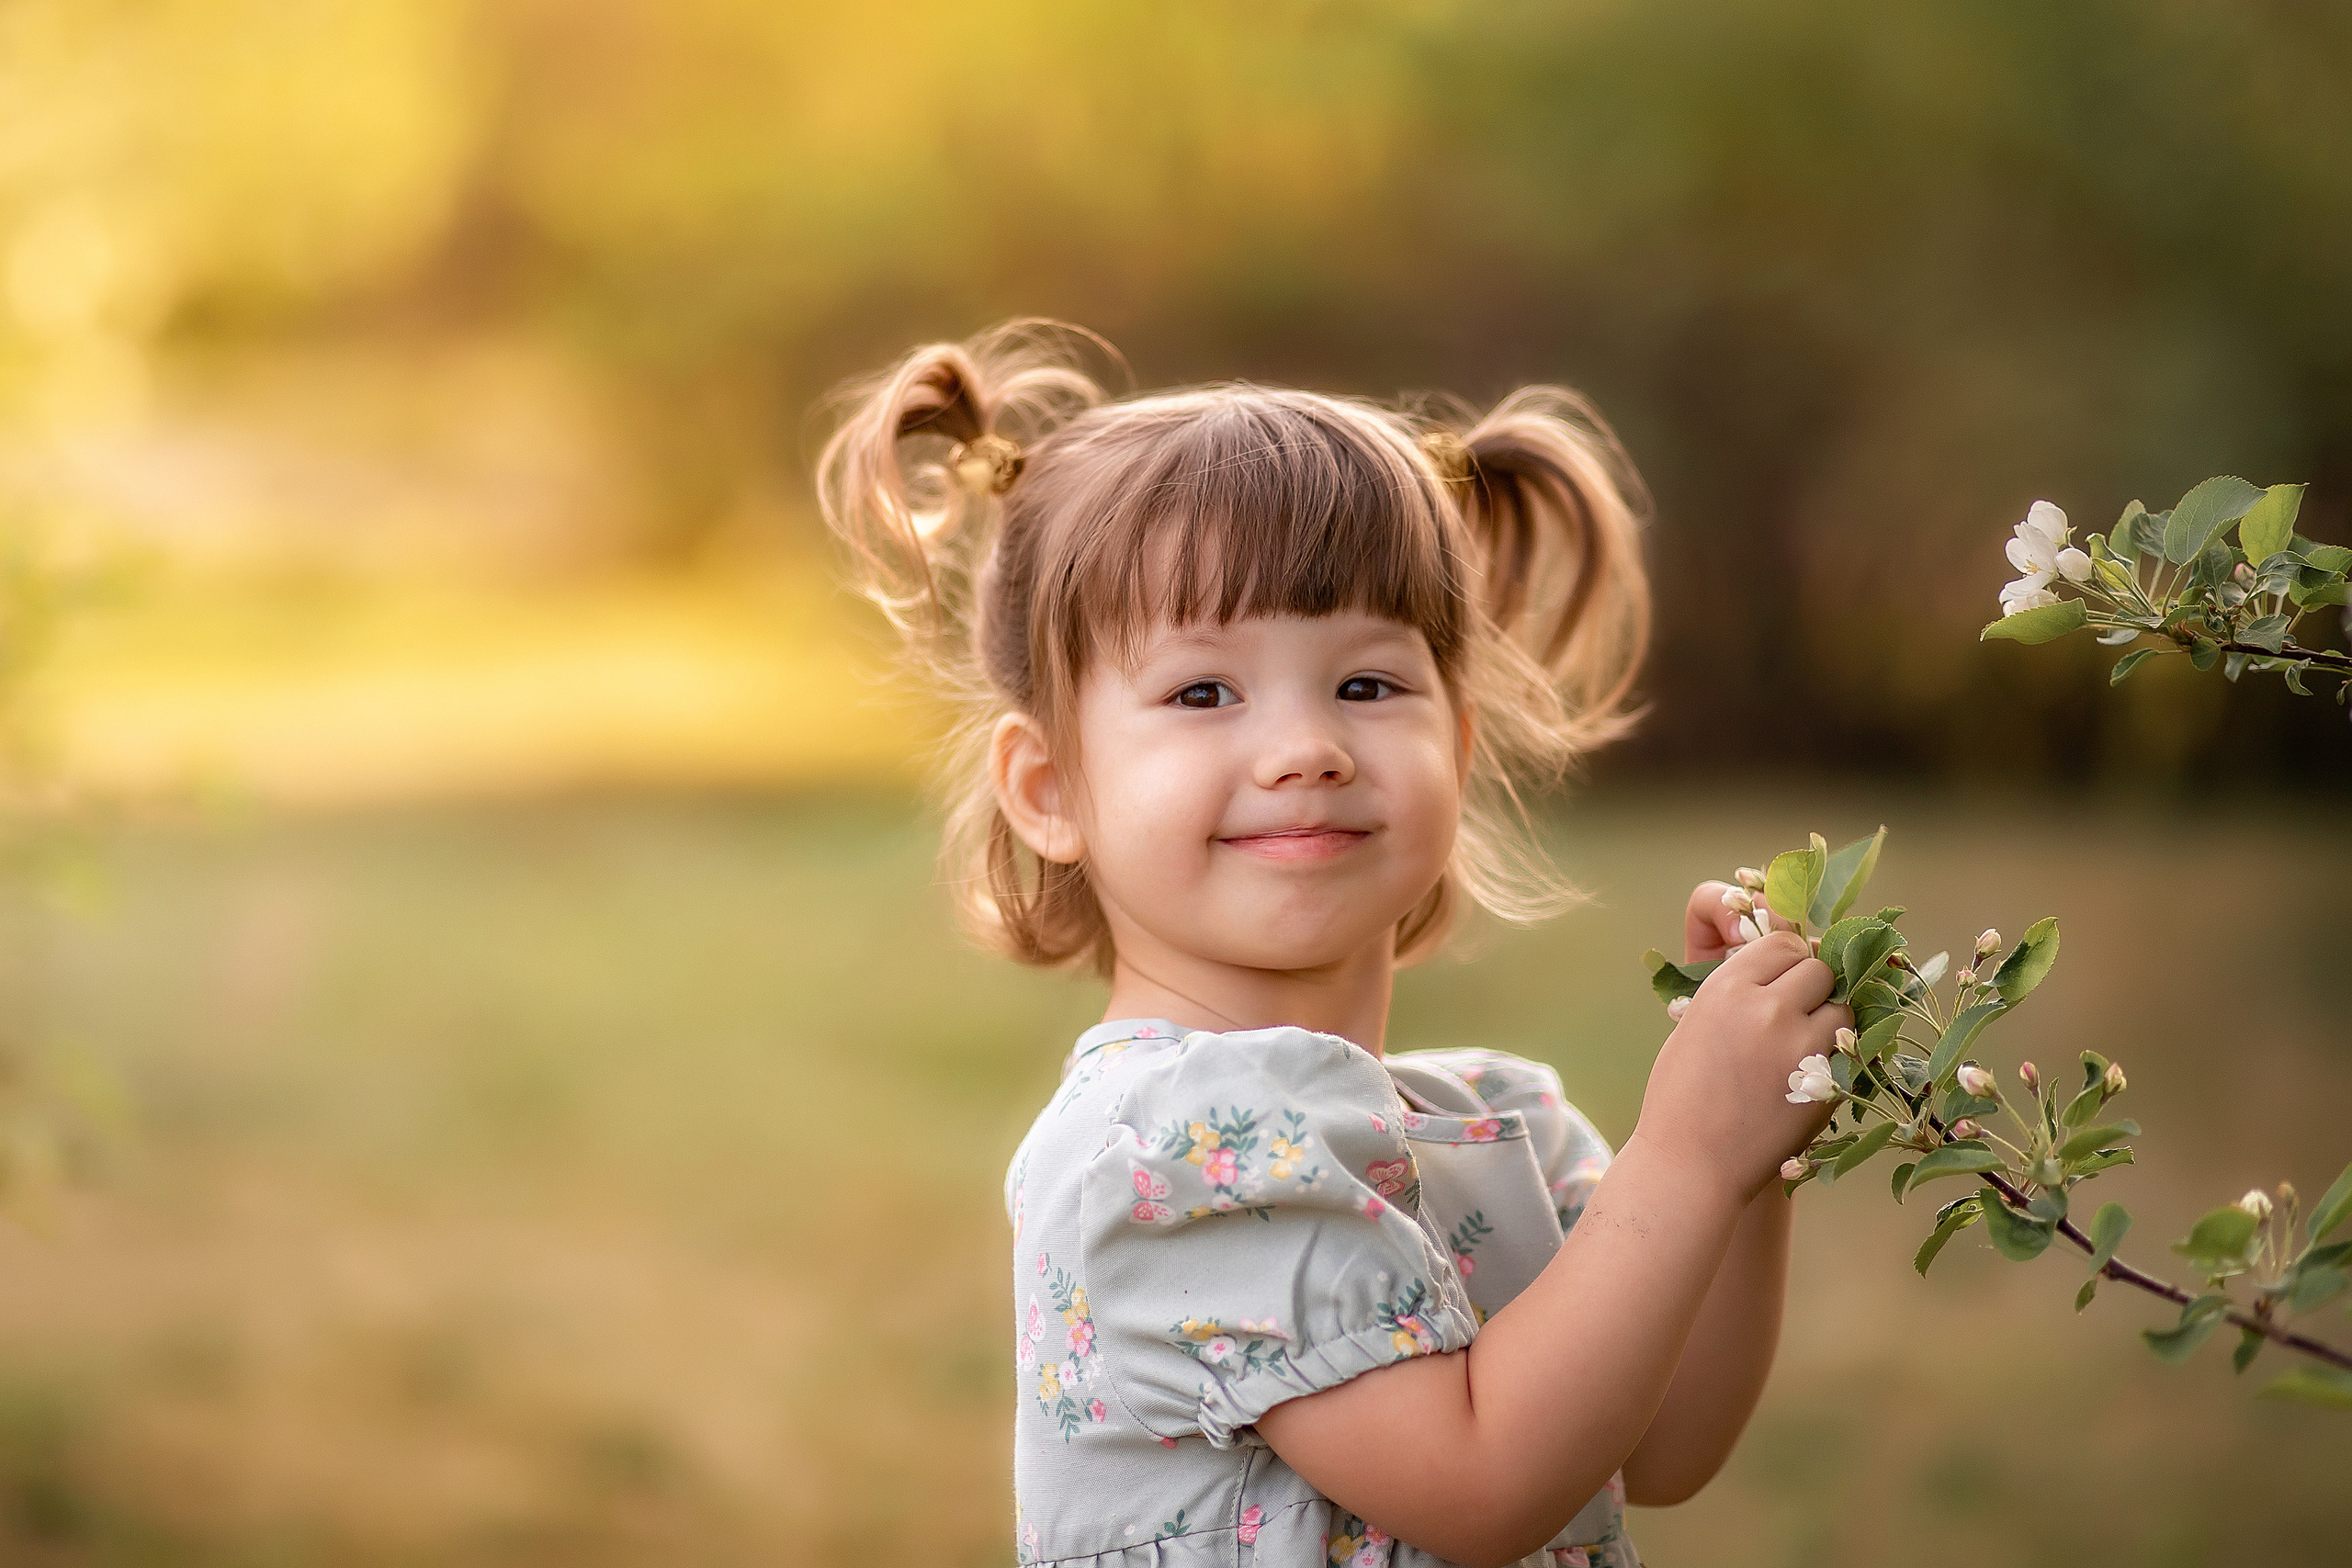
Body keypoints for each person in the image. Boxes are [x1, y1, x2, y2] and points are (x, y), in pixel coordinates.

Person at [817, 321, 1847, 1568]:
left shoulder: (1488, 1127)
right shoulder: (1167, 1157)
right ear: (1049, 788)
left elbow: (1666, 1442)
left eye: (1366, 684)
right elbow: (1484, 1485)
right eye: (1205, 692)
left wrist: (1750, 1150)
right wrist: (1687, 1151)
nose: (1307, 746)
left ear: (1456, 755)